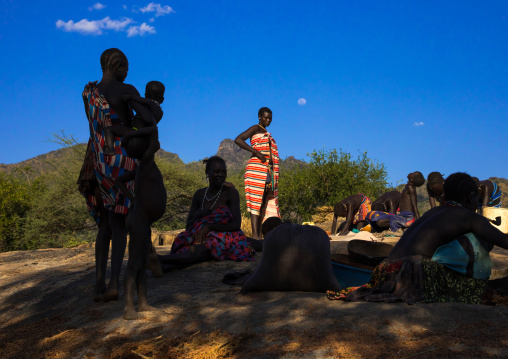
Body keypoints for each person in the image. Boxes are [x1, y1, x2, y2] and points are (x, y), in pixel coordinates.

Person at [328, 173, 508, 304]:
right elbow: (504, 241)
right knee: (491, 288)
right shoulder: (467, 216)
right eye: (476, 200)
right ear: (470, 197)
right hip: (411, 275)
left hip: (382, 273)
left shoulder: (433, 212)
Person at [78, 48, 154, 302]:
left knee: (105, 223)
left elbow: (99, 128)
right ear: (119, 66)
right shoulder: (126, 90)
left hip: (97, 160)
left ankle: (98, 282)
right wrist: (143, 113)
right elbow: (146, 119)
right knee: (120, 222)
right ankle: (113, 285)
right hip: (122, 159)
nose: (127, 73)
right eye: (126, 68)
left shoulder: (89, 93)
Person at [156, 156, 256, 271]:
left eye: (224, 172)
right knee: (188, 246)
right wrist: (200, 213)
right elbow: (188, 226)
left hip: (224, 237)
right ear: (207, 172)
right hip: (198, 236)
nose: (221, 175)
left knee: (200, 250)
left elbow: (236, 225)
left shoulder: (230, 193)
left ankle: (160, 260)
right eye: (217, 171)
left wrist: (208, 227)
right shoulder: (199, 194)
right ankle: (163, 267)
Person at [235, 107, 280, 239]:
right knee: (255, 203)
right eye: (266, 117)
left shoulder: (267, 132)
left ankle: (259, 236)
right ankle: (255, 237)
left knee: (263, 203)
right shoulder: (255, 128)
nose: (268, 120)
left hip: (267, 171)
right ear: (259, 116)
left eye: (270, 118)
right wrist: (256, 152)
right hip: (256, 169)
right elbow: (238, 139)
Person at [103, 81, 164, 156]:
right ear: (162, 100)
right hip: (146, 137)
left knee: (109, 129)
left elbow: (140, 100)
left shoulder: (148, 103)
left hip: (134, 130)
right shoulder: (160, 112)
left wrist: (130, 97)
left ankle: (110, 149)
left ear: (145, 95)